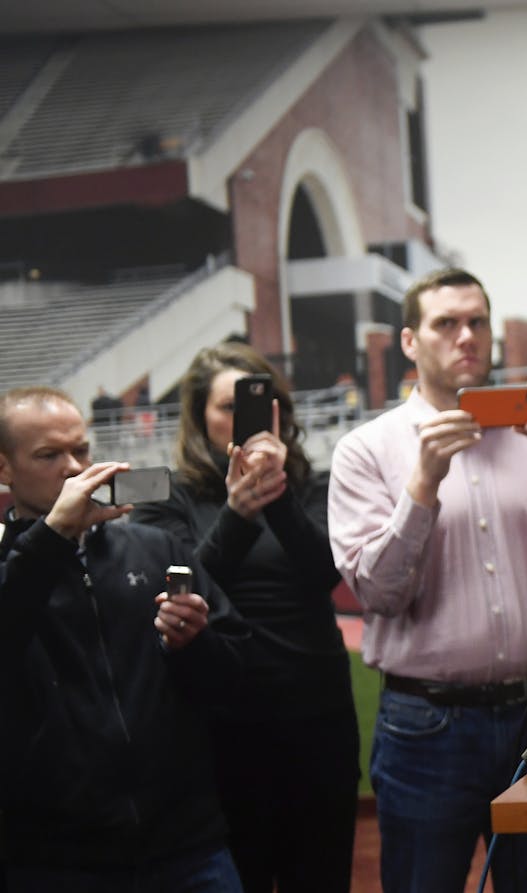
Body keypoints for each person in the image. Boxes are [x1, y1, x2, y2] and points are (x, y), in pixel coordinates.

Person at [327, 267, 527, 893]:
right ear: (410, 342)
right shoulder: (366, 451)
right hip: (427, 727)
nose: (466, 336)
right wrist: (423, 484)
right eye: (446, 323)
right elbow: (378, 595)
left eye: (477, 322)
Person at [130, 343, 359, 893]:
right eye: (226, 408)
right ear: (198, 418)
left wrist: (272, 494)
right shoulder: (167, 492)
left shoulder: (311, 484)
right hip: (220, 724)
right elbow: (181, 585)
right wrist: (235, 512)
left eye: (259, 404)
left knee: (321, 877)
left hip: (316, 716)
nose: (242, 420)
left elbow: (323, 574)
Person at [0, 386, 245, 892]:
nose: (73, 468)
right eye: (49, 455)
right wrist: (50, 539)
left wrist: (192, 643)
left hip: (187, 844)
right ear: (4, 470)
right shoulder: (12, 568)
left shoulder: (156, 548)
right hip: (57, 860)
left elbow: (235, 678)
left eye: (81, 450)